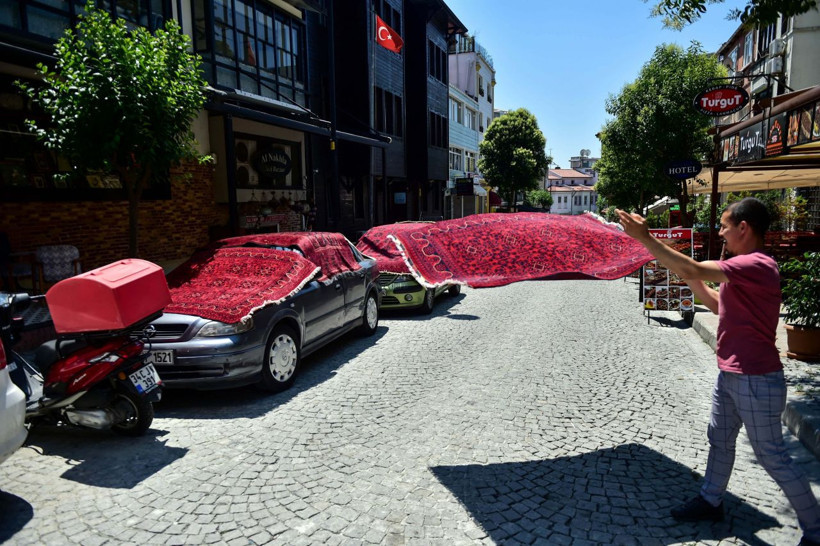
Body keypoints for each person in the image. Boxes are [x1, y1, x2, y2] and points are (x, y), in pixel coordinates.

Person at [617, 197, 820, 545]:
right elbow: (714, 302)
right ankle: (711, 500)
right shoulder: (741, 266)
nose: (721, 232)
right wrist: (681, 268)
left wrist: (648, 240)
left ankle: (816, 529)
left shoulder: (757, 264)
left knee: (773, 457)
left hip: (755, 377)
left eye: (725, 226)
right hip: (732, 373)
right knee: (719, 439)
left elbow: (695, 269)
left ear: (744, 228)